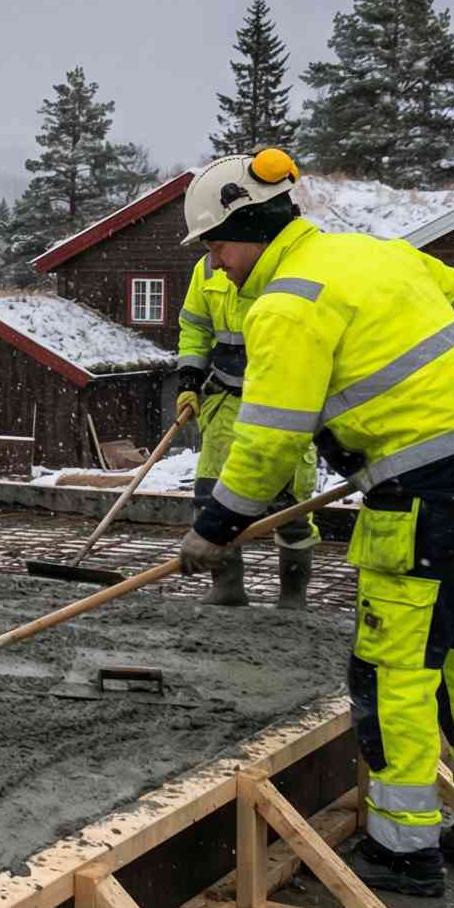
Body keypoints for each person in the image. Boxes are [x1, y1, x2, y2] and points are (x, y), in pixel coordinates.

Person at [175, 148, 454, 897]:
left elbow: (269, 442)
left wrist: (213, 528)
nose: (214, 267)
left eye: (214, 246)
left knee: (392, 671)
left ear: (247, 229)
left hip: (433, 499)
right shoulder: (377, 256)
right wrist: (436, 405)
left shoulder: (285, 305)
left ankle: (403, 853)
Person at [174, 202, 319, 608]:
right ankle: (227, 587)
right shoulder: (206, 270)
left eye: (220, 247)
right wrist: (188, 379)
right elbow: (194, 327)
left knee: (290, 510)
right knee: (211, 498)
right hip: (225, 398)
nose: (216, 261)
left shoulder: (291, 271)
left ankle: (293, 596)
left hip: (284, 405)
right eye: (209, 249)